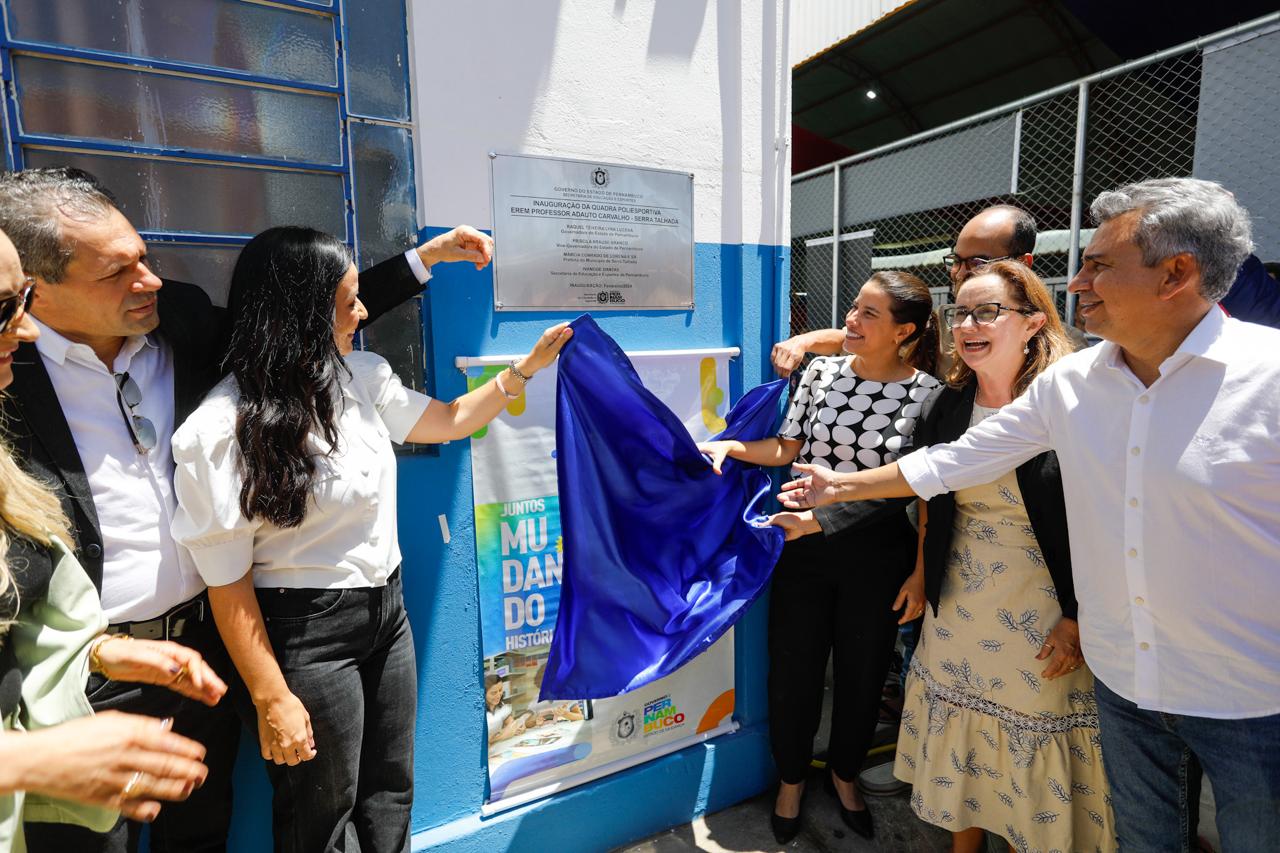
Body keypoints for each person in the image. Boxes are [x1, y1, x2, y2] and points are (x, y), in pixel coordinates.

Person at [776, 178, 1280, 851]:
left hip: (1247, 699)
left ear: (1177, 273)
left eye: (1099, 264)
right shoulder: (1076, 385)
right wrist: (838, 488)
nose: (1076, 283)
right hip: (1124, 684)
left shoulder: (1268, 376)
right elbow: (955, 462)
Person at [0, 166, 491, 853]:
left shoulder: (179, 318)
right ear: (38, 290)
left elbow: (305, 317)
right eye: (118, 272)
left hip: (202, 651)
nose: (147, 282)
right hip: (86, 669)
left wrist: (421, 263)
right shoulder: (9, 375)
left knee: (201, 832)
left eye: (145, 258)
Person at [170, 226, 572, 853]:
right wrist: (271, 694)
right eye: (349, 300)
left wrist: (523, 371)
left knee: (390, 791)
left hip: (388, 611)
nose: (362, 312)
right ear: (300, 313)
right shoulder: (221, 429)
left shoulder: (361, 375)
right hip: (304, 634)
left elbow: (447, 421)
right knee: (319, 811)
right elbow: (227, 584)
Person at [699, 271, 941, 843]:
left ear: (904, 332)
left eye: (868, 315)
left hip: (878, 555)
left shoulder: (929, 395)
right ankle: (790, 782)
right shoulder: (822, 373)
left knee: (861, 676)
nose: (850, 322)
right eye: (854, 308)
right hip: (800, 546)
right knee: (793, 670)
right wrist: (731, 446)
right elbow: (788, 448)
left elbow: (914, 487)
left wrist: (920, 572)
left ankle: (845, 775)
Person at [0, 228, 218, 851]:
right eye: (6, 308)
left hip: (167, 657)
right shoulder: (24, 390)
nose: (27, 329)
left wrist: (93, 653)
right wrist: (29, 762)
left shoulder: (180, 324)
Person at [890, 261, 1114, 851]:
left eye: (987, 311)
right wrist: (919, 575)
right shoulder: (949, 402)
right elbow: (931, 501)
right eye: (960, 312)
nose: (968, 324)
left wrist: (1078, 617)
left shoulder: (1070, 403)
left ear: (1034, 320)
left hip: (1041, 607)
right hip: (957, 601)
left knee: (1028, 748)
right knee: (962, 737)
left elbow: (1102, 524)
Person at [772, 205, 1038, 377]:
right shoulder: (939, 325)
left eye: (978, 263)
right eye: (956, 261)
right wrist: (801, 342)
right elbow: (852, 335)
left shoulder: (1056, 352)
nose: (960, 273)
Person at [485, 675, 523, 745]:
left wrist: (519, 727)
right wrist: (501, 736)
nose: (499, 695)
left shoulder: (500, 705)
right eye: (494, 693)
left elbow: (511, 723)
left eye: (500, 690)